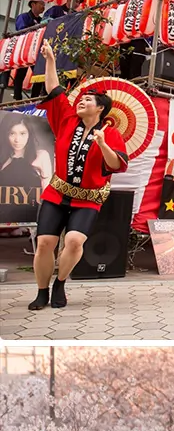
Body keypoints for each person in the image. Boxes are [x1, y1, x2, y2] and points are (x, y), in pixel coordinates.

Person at [28, 41, 129, 311]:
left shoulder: (112, 133)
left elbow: (115, 165)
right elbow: (54, 89)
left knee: (73, 241)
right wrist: (50, 59)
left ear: (100, 110)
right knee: (45, 243)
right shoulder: (67, 119)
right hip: (57, 192)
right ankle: (41, 291)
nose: (81, 101)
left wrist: (103, 144)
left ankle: (60, 282)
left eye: (88, 100)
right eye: (81, 99)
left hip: (88, 198)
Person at [0, 114, 52, 201]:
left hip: (31, 212)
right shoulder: (2, 159)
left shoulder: (41, 156)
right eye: (12, 133)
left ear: (29, 134)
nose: (17, 140)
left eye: (22, 133)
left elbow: (48, 194)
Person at [10, 0, 46, 101]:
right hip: (24, 50)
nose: (43, 7)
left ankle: (33, 99)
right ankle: (17, 99)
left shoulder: (41, 20)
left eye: (43, 5)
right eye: (41, 4)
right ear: (33, 4)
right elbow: (22, 30)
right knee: (21, 75)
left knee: (39, 76)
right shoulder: (24, 17)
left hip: (36, 52)